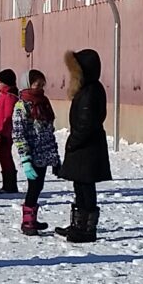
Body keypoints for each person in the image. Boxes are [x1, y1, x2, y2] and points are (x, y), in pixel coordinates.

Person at [55, 48, 112, 242]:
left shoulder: (90, 91)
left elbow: (86, 123)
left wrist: (73, 142)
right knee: (80, 186)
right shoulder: (88, 89)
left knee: (86, 187)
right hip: (86, 147)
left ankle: (86, 229)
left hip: (87, 148)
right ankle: (78, 224)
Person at [10, 70, 62, 235]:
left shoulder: (43, 103)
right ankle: (27, 222)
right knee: (34, 187)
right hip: (32, 154)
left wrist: (55, 159)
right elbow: (18, 133)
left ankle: (32, 219)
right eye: (36, 84)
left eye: (42, 84)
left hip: (45, 152)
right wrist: (25, 158)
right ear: (27, 84)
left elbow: (49, 131)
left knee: (39, 186)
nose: (39, 88)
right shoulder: (22, 105)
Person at [0, 69, 20, 194]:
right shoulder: (2, 96)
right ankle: (7, 184)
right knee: (3, 157)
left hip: (5, 133)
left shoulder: (9, 97)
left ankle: (10, 184)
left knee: (5, 157)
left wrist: (0, 132)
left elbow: (8, 117)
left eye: (0, 82)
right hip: (0, 132)